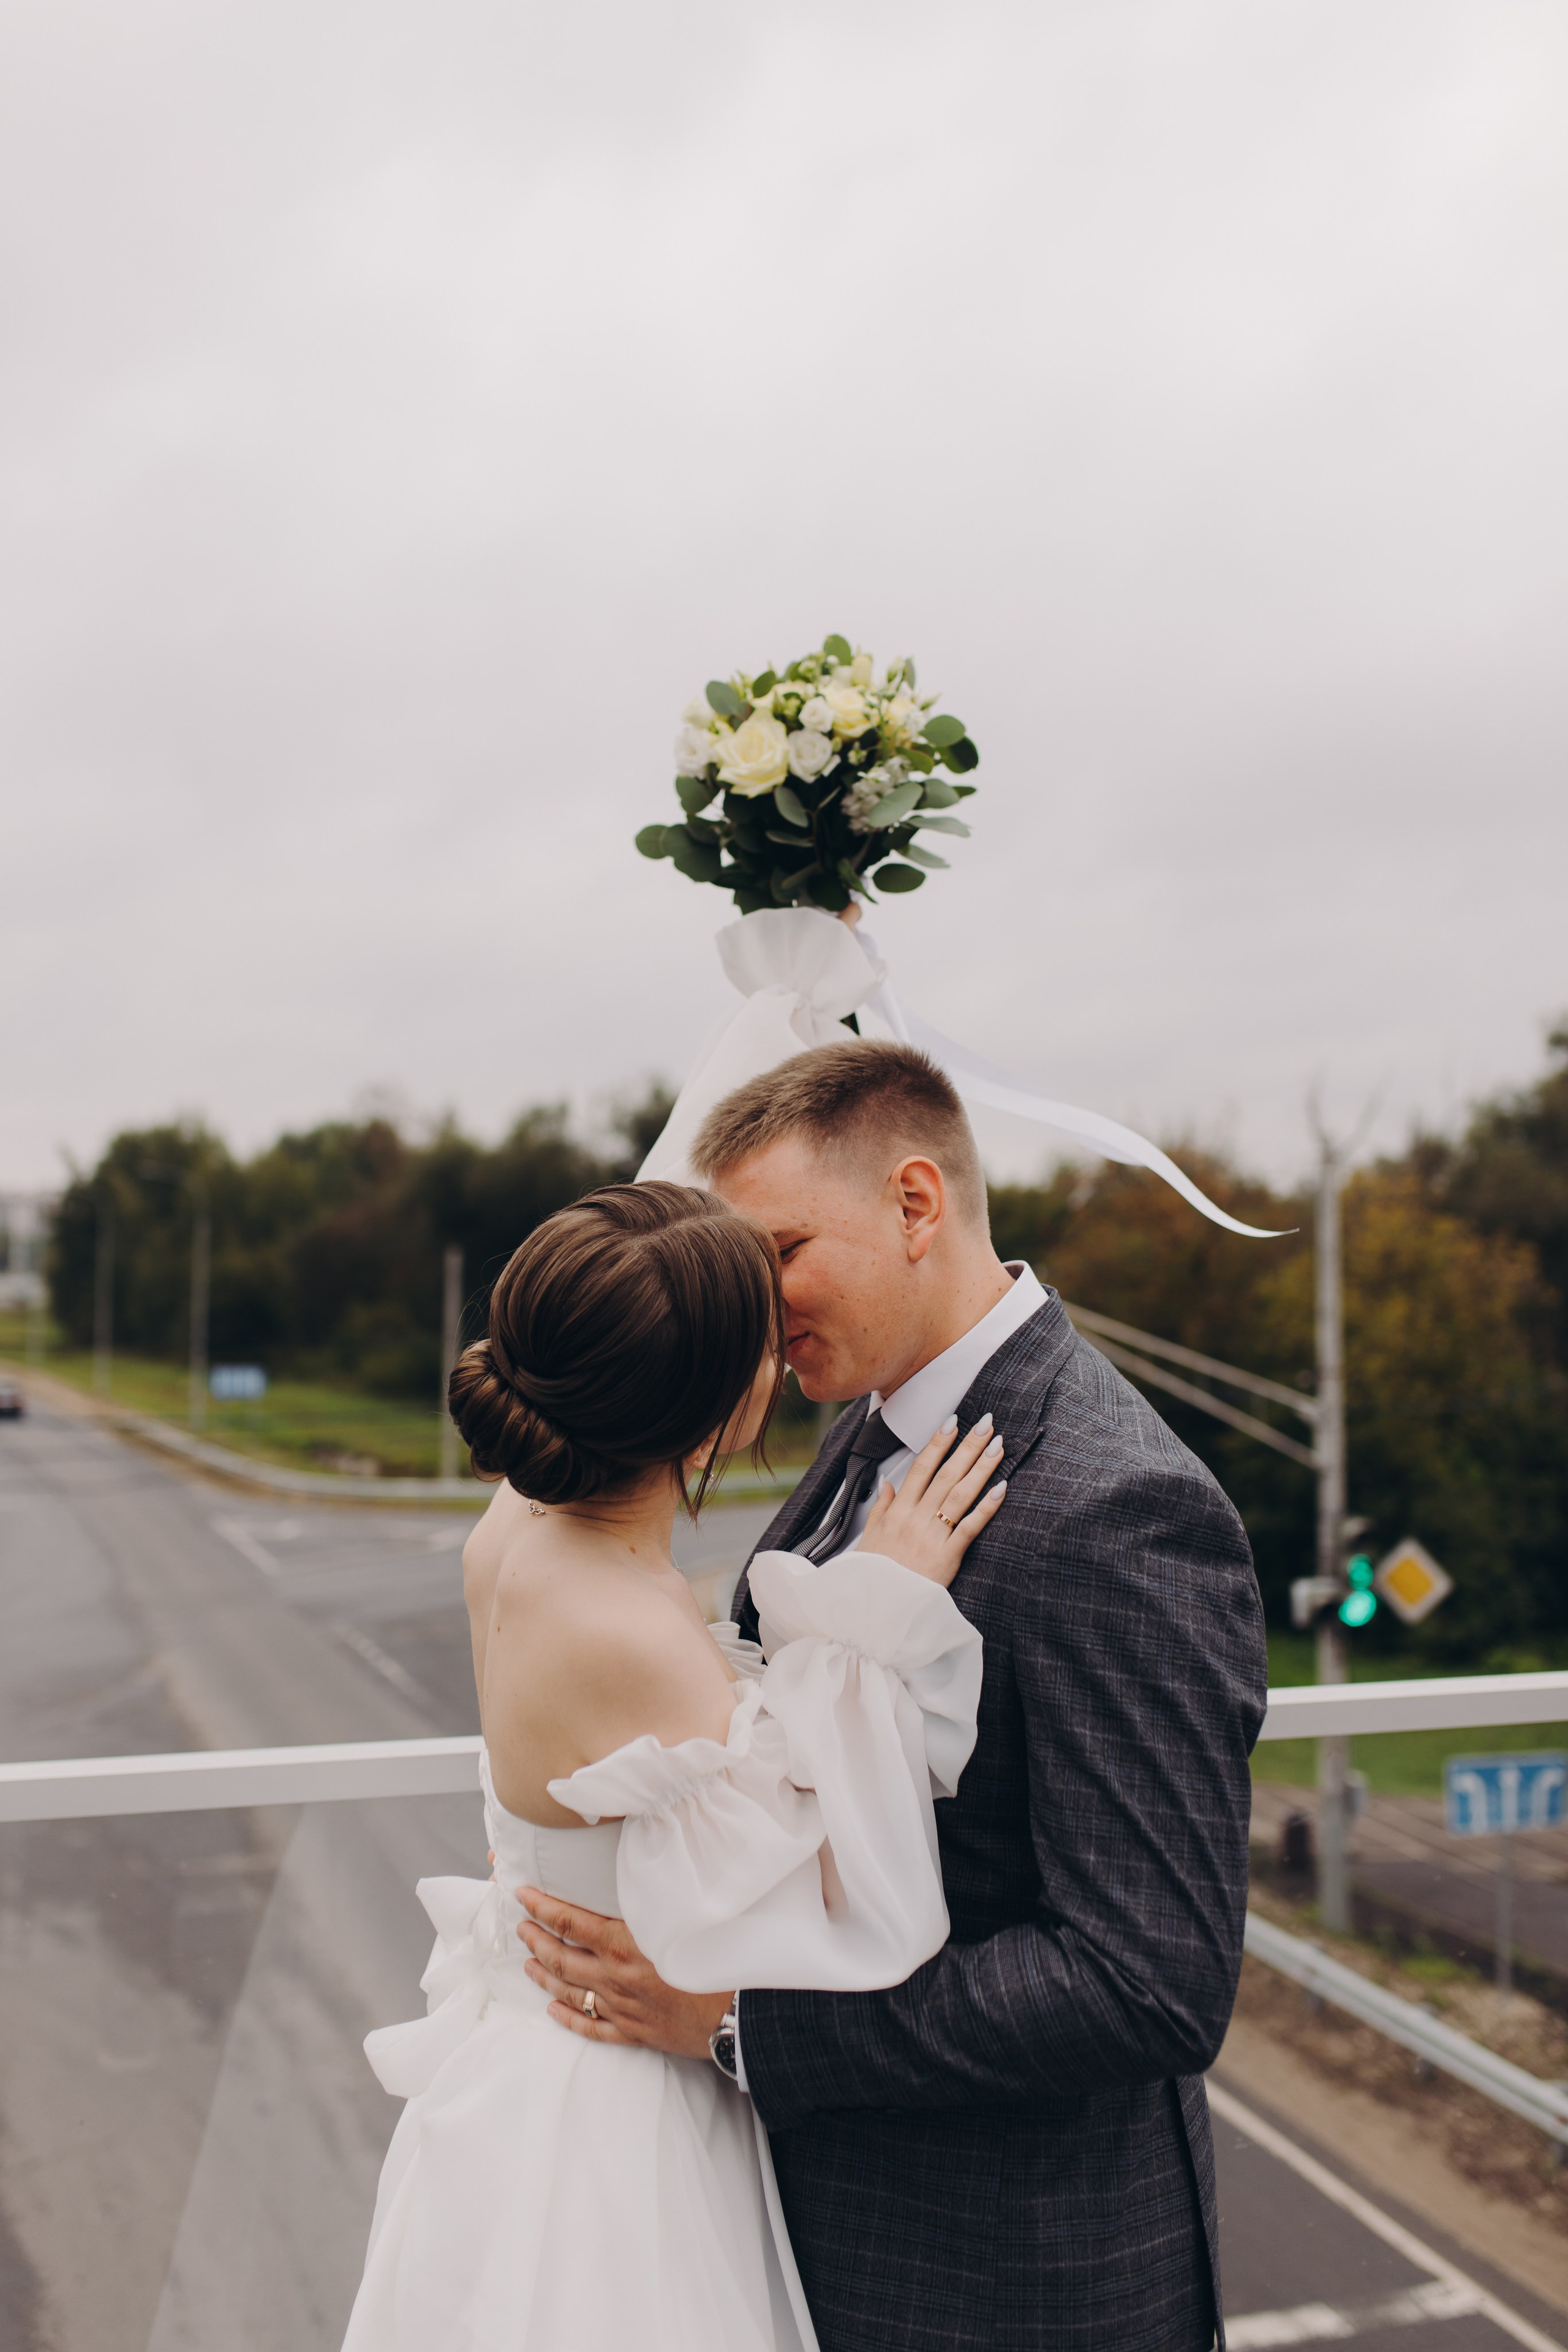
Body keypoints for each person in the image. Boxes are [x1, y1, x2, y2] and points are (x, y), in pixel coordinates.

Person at [516, 1041, 1270, 2352]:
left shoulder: (1118, 1510)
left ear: (916, 1205)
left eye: (781, 1253)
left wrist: (737, 2029)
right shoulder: (863, 1420)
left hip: (1004, 2280)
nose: (753, 1312)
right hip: (825, 2242)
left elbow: (1147, 1981)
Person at [341, 1178, 1006, 2352]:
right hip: (613, 2115)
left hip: (526, 2056)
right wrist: (883, 1608)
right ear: (718, 1409)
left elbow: (617, 1295)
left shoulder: (511, 1528)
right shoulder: (635, 1639)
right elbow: (845, 1890)